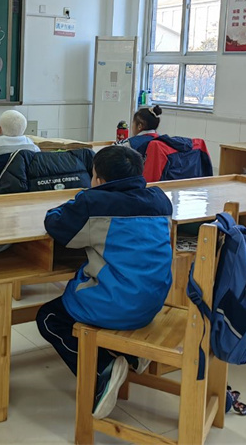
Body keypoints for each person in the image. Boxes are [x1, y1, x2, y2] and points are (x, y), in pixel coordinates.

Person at [35, 146, 173, 419]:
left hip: (118, 304)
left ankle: (103, 368)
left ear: (98, 178)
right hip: (153, 303)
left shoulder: (94, 203)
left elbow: (56, 224)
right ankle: (132, 355)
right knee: (111, 285)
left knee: (49, 318)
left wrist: (81, 198)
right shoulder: (160, 200)